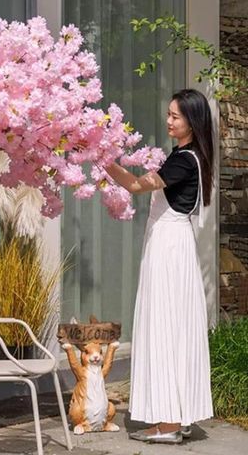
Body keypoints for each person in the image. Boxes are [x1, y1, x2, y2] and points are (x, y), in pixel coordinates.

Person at [105, 88, 214, 444]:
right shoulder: (190, 155)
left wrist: (104, 161)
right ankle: (177, 415)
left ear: (192, 121)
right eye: (168, 114)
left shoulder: (184, 159)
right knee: (175, 326)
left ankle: (167, 424)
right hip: (174, 243)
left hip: (169, 247)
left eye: (175, 117)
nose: (168, 121)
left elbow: (138, 185)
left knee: (164, 324)